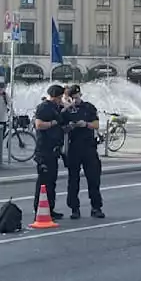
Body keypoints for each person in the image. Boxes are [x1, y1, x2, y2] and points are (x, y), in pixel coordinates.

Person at [61, 84, 105, 219]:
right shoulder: (66, 111)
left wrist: (85, 124)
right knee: (73, 180)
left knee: (93, 178)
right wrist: (70, 126)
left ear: (80, 95)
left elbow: (96, 125)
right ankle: (75, 208)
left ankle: (96, 207)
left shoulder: (89, 107)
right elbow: (61, 128)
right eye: (72, 98)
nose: (75, 100)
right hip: (73, 147)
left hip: (89, 146)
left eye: (76, 97)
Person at [32, 84, 65, 219]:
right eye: (61, 97)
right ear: (56, 97)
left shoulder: (56, 107)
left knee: (52, 181)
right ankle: (39, 208)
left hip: (53, 151)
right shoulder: (44, 107)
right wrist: (53, 123)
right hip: (44, 151)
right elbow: (39, 124)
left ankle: (50, 208)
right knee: (44, 181)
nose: (62, 100)